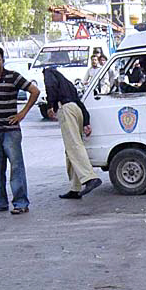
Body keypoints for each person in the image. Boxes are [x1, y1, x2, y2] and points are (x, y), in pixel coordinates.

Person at [0, 46, 39, 215]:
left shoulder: (13, 77)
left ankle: (21, 203)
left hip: (10, 131)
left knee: (16, 167)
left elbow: (34, 91)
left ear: (2, 60)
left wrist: (22, 114)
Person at [44, 66, 102, 200]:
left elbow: (50, 87)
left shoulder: (48, 73)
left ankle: (89, 178)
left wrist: (50, 106)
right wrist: (86, 121)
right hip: (76, 109)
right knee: (71, 149)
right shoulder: (67, 83)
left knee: (74, 146)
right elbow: (79, 102)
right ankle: (75, 188)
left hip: (65, 109)